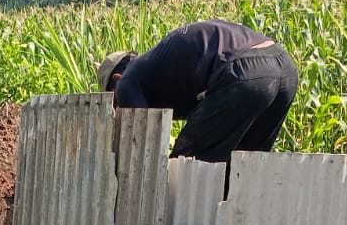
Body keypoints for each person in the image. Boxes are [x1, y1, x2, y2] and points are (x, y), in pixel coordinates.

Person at [97, 19, 299, 162]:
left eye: (114, 101)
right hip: (286, 68)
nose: (117, 109)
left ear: (117, 79)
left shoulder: (127, 82)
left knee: (186, 163)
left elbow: (140, 146)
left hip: (245, 71)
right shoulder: (159, 68)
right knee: (244, 166)